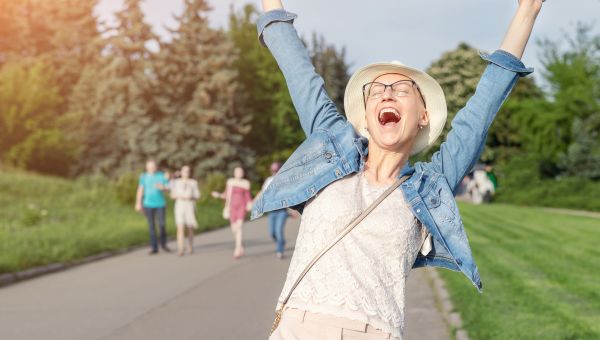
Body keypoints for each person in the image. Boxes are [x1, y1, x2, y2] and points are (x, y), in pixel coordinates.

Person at [253, 0, 543, 338]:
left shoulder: (430, 185)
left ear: (423, 116)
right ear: (364, 116)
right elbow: (297, 68)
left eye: (401, 90)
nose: (386, 94)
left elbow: (482, 108)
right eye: (376, 91)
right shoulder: (328, 152)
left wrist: (529, 9)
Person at [212, 167, 253, 259]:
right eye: (237, 172)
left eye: (241, 171)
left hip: (241, 207)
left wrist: (249, 204)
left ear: (243, 173)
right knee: (234, 229)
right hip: (232, 208)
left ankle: (237, 249)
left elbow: (248, 196)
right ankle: (240, 246)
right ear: (234, 173)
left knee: (239, 227)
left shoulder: (246, 183)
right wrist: (217, 195)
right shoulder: (230, 182)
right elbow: (226, 195)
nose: (239, 173)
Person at [135, 159, 171, 255]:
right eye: (149, 167)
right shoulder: (143, 177)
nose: (151, 168)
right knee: (151, 226)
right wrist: (138, 202)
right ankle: (154, 247)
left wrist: (163, 187)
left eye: (153, 166)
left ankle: (163, 245)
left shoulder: (161, 176)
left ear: (156, 167)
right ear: (147, 167)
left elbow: (168, 189)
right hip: (148, 204)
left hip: (160, 204)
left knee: (162, 225)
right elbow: (140, 189)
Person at [258, 162, 290, 259]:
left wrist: (292, 210)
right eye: (272, 170)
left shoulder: (285, 181)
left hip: (282, 211)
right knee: (272, 233)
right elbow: (263, 193)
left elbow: (289, 196)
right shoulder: (268, 180)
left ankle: (280, 251)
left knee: (279, 231)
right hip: (272, 210)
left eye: (276, 170)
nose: (274, 172)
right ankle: (282, 242)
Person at [170, 165, 201, 256]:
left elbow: (197, 195)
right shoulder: (176, 182)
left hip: (189, 205)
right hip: (180, 205)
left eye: (187, 171)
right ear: (181, 172)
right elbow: (172, 194)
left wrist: (191, 197)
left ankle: (190, 246)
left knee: (190, 227)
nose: (186, 173)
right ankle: (181, 248)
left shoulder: (193, 182)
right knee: (180, 226)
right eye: (184, 171)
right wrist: (179, 196)